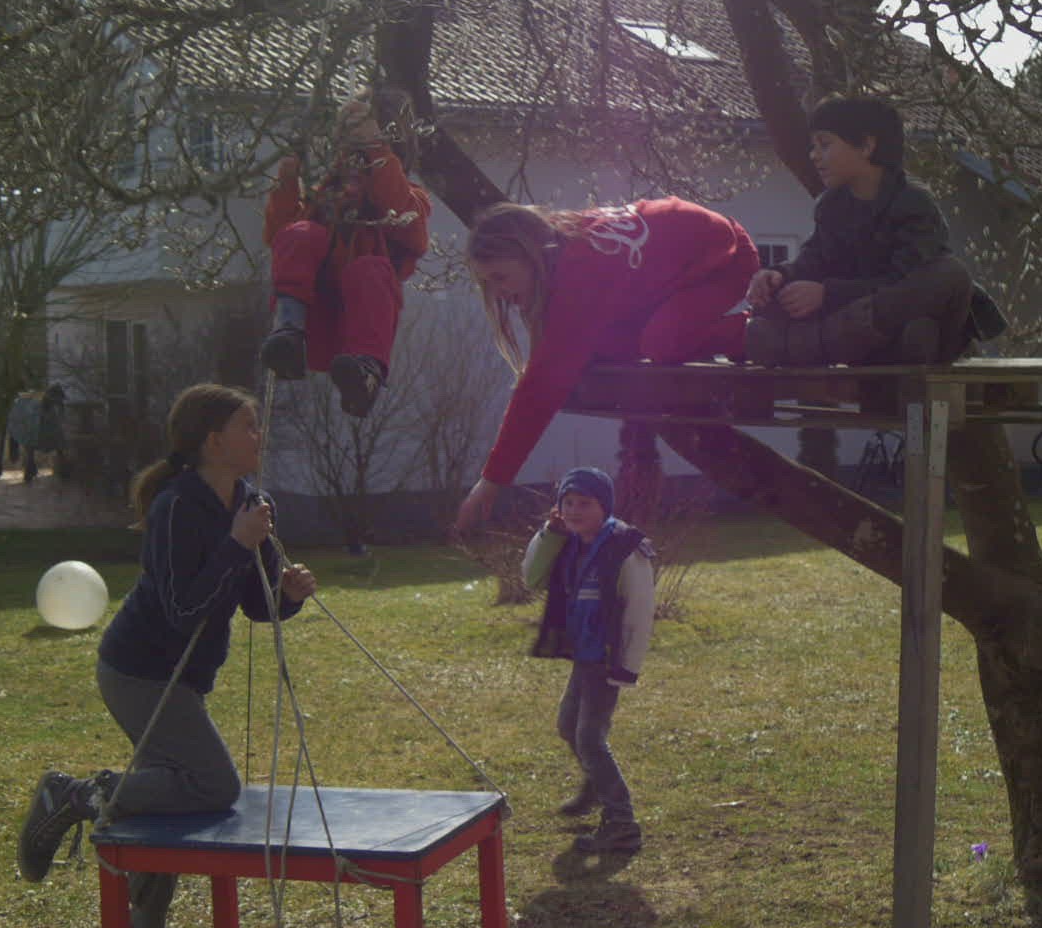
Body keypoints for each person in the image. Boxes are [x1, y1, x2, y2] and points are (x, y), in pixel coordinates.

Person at [15, 382, 317, 928]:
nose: (259, 435)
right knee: (212, 786)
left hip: (181, 683)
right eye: (248, 425)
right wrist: (237, 543)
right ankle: (75, 795)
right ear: (214, 440)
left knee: (173, 805)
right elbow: (183, 610)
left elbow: (255, 605)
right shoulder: (177, 506)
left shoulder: (251, 501)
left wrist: (287, 594)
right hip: (138, 673)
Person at [453, 198, 760, 532]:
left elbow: (541, 387)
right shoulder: (562, 248)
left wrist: (492, 481)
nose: (497, 292)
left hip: (726, 259)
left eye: (500, 277)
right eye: (488, 283)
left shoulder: (580, 270)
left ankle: (760, 331)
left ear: (531, 255)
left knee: (662, 343)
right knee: (612, 347)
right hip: (682, 262)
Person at [742, 95, 1007, 365]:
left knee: (951, 275)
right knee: (773, 306)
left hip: (900, 316)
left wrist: (827, 294)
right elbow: (814, 259)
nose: (814, 155)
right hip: (865, 328)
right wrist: (779, 275)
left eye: (825, 144)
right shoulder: (831, 206)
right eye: (813, 147)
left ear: (866, 146)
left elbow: (900, 283)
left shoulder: (914, 203)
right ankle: (812, 342)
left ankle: (810, 344)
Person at [261, 89, 431, 417]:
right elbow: (281, 238)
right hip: (316, 320)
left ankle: (365, 375)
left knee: (369, 270)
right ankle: (288, 332)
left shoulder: (410, 200)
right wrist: (287, 183)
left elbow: (401, 211)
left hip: (358, 331)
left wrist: (375, 149)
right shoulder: (325, 198)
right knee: (301, 234)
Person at [521, 466, 654, 854]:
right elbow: (531, 577)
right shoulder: (568, 541)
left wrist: (626, 666)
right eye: (568, 502)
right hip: (584, 653)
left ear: (604, 507)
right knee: (568, 726)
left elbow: (639, 610)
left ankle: (622, 823)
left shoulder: (626, 546)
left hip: (607, 657)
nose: (574, 511)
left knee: (590, 739)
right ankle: (597, 786)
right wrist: (549, 534)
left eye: (585, 503)